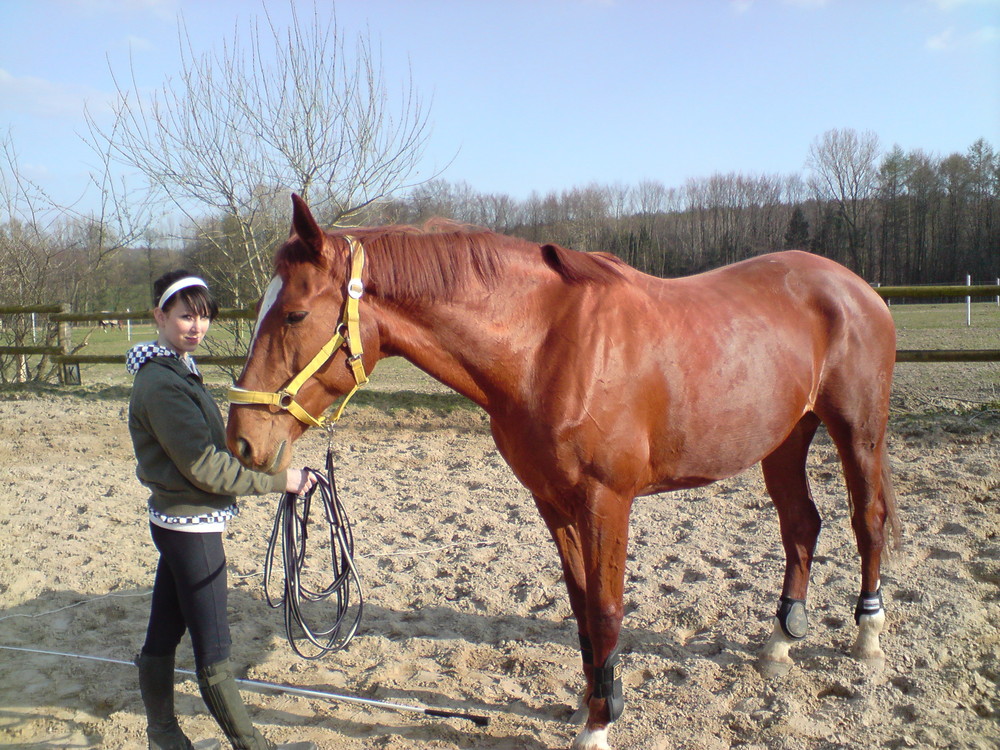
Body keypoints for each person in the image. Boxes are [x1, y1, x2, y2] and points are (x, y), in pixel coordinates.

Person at [126, 270, 317, 750]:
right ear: (160, 316)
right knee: (214, 655)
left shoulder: (175, 370)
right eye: (185, 315)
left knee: (163, 634)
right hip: (190, 526)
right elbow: (205, 468)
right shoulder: (163, 385)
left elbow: (212, 452)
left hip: (178, 521)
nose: (196, 326)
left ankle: (163, 738)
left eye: (203, 316)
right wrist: (282, 482)